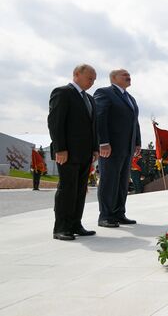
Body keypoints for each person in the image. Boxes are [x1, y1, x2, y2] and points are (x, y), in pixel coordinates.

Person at [47, 64, 99, 240]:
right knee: (67, 189)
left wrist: (95, 148)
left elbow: (93, 127)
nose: (92, 82)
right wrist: (60, 148)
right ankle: (61, 228)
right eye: (89, 78)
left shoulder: (90, 99)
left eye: (94, 79)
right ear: (77, 74)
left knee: (80, 189)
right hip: (67, 152)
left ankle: (76, 224)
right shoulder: (62, 93)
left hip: (85, 153)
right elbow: (55, 123)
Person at [94, 69, 141, 228]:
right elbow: (100, 118)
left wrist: (137, 142)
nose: (129, 77)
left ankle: (119, 213)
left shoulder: (130, 98)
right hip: (111, 147)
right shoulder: (104, 93)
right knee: (109, 180)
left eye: (129, 74)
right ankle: (105, 216)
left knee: (122, 182)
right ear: (114, 78)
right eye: (124, 75)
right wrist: (103, 142)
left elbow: (135, 122)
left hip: (127, 147)